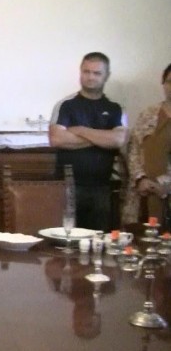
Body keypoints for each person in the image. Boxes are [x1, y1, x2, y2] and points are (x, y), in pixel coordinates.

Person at [49, 52, 127, 231]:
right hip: (67, 186)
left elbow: (118, 140)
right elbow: (57, 139)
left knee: (99, 240)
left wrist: (80, 130)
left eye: (97, 73)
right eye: (86, 71)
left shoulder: (115, 108)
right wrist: (103, 137)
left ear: (106, 75)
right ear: (80, 72)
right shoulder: (65, 105)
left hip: (102, 188)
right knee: (66, 240)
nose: (90, 77)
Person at [122, 63, 171, 224]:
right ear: (163, 84)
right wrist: (140, 178)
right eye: (169, 82)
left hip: (166, 192)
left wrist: (164, 184)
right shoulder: (148, 114)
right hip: (143, 191)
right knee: (141, 235)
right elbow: (133, 149)